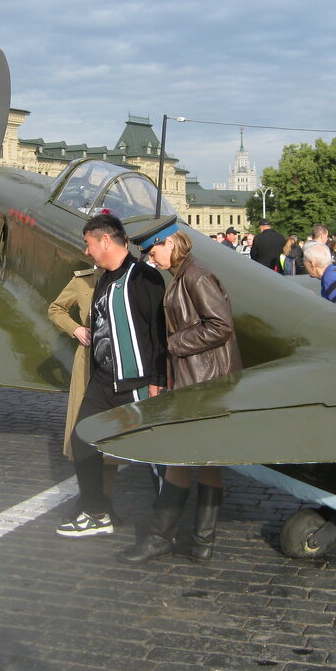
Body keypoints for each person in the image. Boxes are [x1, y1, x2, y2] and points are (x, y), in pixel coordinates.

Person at [117, 229, 241, 563]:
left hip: (202, 381)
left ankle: (161, 539)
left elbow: (220, 325)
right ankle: (202, 543)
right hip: (205, 380)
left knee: (179, 458)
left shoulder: (195, 276)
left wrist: (173, 345)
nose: (149, 258)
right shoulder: (185, 273)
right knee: (206, 462)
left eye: (151, 251)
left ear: (169, 243)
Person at [56, 213, 167, 538]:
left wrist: (158, 381)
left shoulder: (144, 278)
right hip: (103, 381)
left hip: (136, 383)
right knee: (82, 440)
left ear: (106, 240)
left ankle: (165, 526)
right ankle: (96, 511)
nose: (86, 251)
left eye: (89, 244)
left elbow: (159, 334)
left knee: (153, 456)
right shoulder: (102, 277)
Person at [48, 266, 122, 498]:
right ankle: (89, 500)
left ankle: (104, 500)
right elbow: (56, 308)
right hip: (87, 364)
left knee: (111, 439)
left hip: (117, 363)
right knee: (82, 435)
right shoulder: (83, 280)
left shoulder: (127, 277)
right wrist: (76, 329)